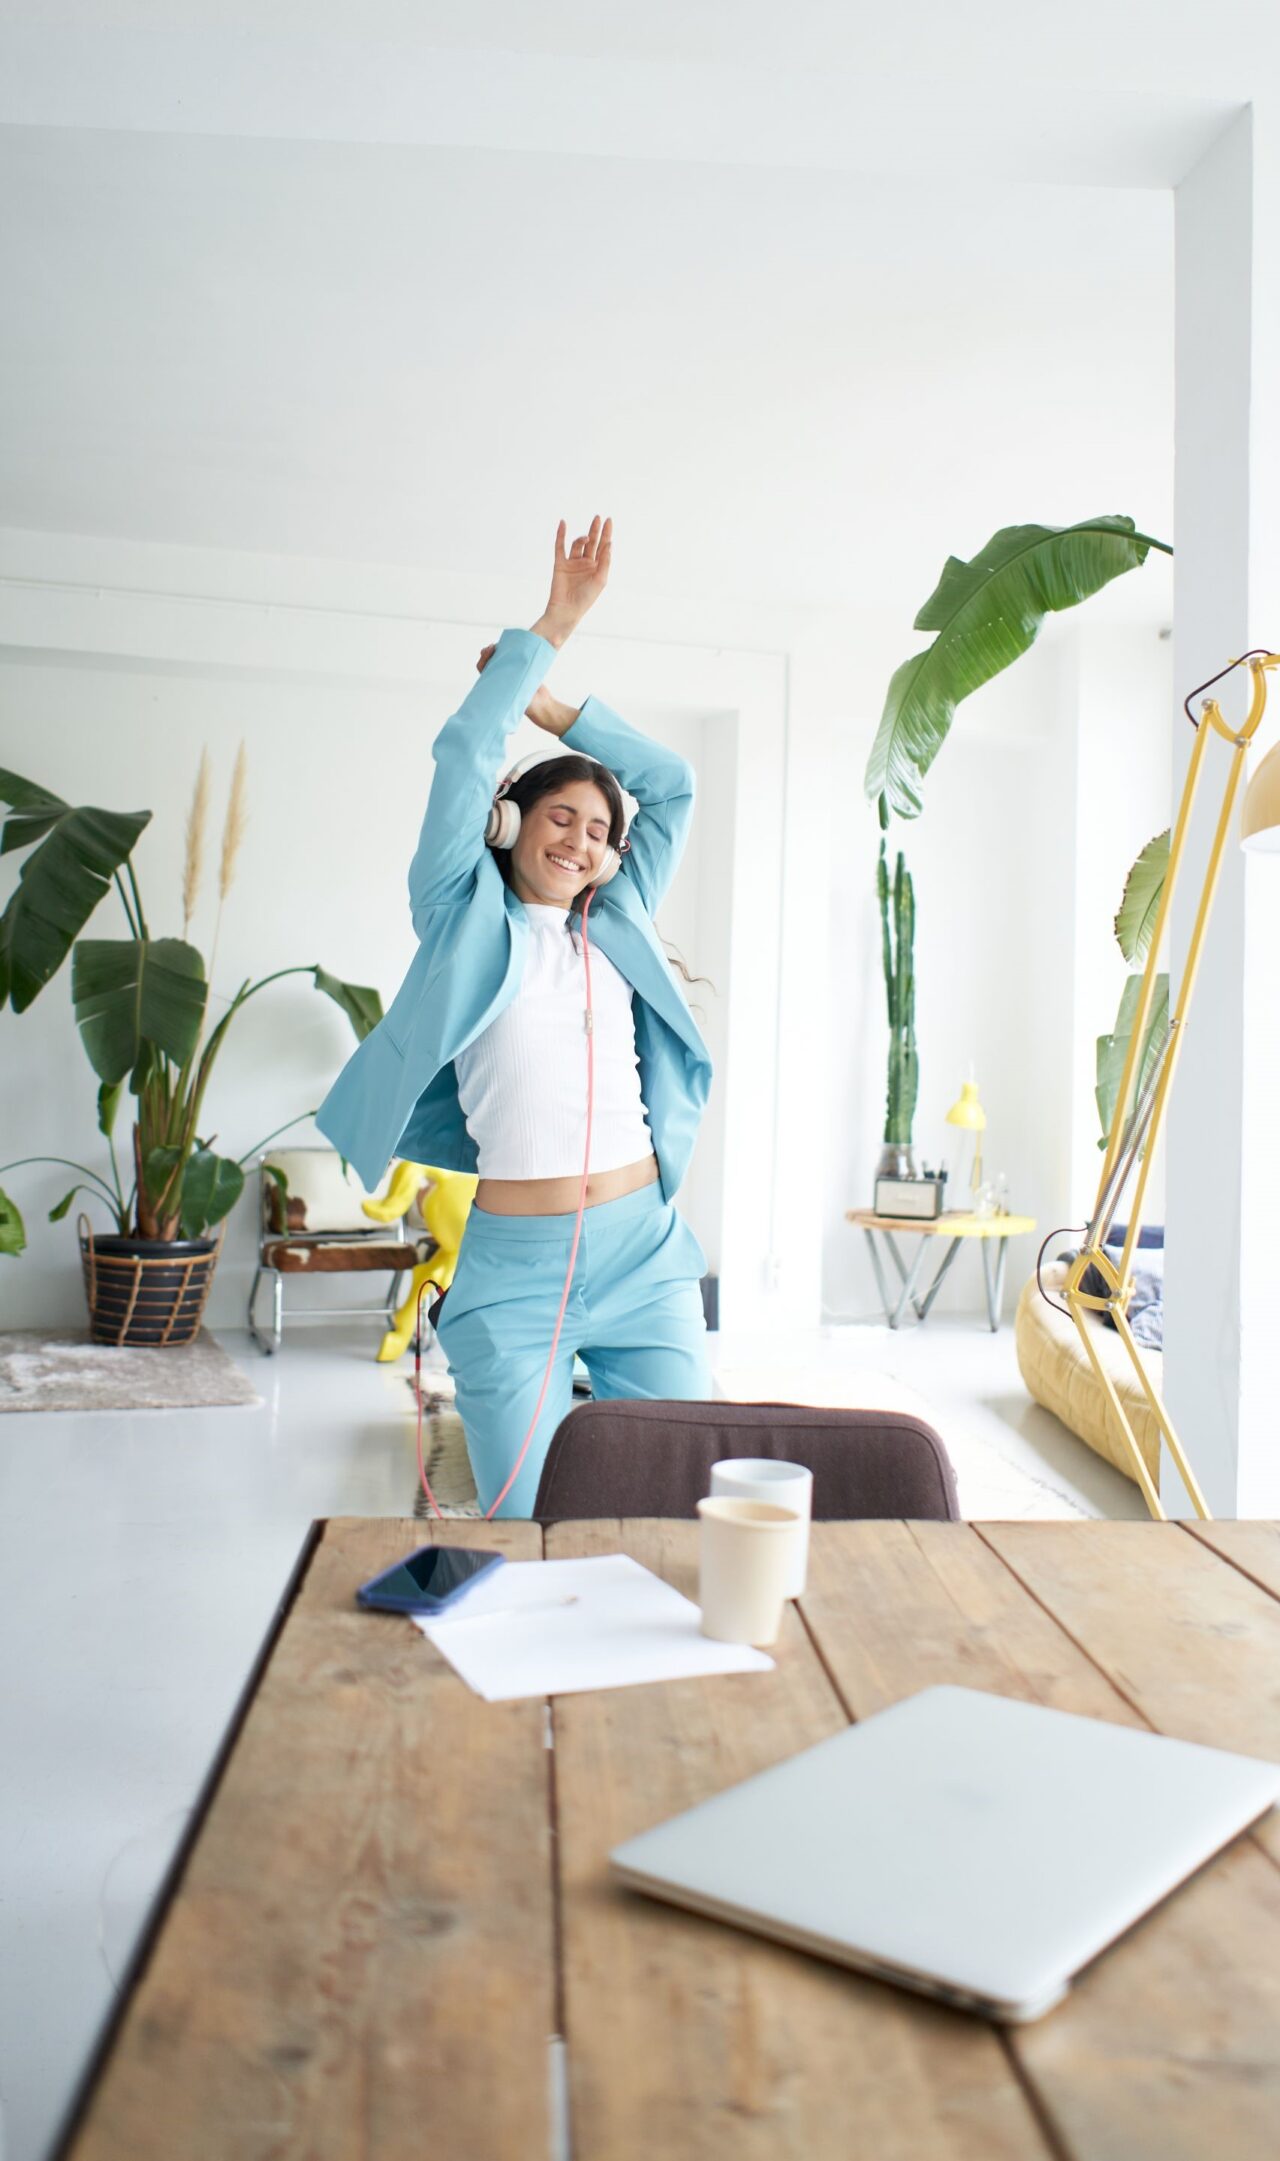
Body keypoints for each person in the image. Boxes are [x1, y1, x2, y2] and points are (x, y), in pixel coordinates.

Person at [314, 515, 715, 1515]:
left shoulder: (618, 916)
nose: (578, 840)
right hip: (514, 1272)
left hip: (642, 1254)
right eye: (559, 817)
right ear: (510, 823)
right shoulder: (457, 913)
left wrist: (554, 707)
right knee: (529, 1516)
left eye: (597, 830)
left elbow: (673, 783)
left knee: (680, 1502)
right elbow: (460, 754)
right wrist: (551, 625)